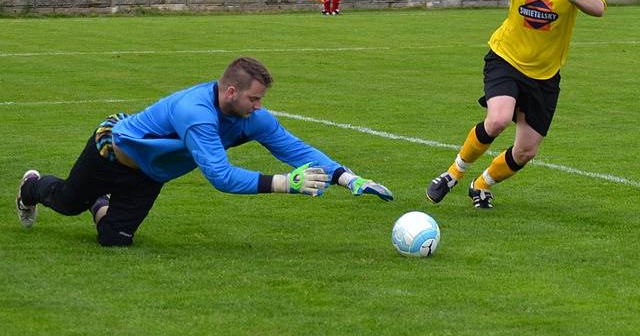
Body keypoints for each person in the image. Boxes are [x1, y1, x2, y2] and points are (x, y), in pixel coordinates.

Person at [15, 57, 393, 246]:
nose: (259, 106)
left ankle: (101, 203)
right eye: (254, 98)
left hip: (150, 173)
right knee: (67, 203)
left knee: (114, 240)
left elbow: (294, 149)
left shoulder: (252, 118)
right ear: (231, 92)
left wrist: (349, 178)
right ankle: (32, 187)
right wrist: (285, 185)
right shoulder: (196, 113)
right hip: (113, 151)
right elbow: (220, 176)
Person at [388, 0, 605, 209]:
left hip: (545, 74)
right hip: (506, 58)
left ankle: (481, 184)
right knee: (498, 119)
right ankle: (452, 174)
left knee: (525, 152)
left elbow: (598, 7)